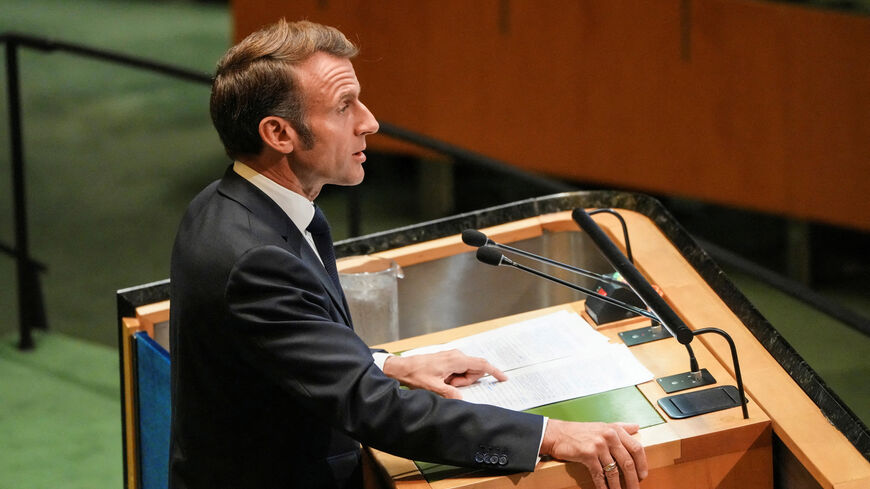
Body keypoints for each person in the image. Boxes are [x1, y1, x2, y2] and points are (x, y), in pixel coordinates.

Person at [169, 19, 648, 489]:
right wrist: (549, 435)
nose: (369, 122)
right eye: (343, 107)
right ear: (279, 134)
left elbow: (289, 356)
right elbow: (375, 409)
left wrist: (387, 365)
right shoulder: (255, 257)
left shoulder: (228, 202)